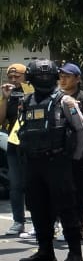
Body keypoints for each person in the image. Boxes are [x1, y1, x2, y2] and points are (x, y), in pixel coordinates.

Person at [14, 60, 83, 261]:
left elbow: (82, 130)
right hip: (33, 164)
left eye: (46, 76)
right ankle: (45, 251)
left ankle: (75, 253)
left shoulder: (65, 102)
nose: (43, 79)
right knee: (37, 208)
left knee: (66, 207)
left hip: (58, 162)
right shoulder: (26, 102)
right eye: (39, 75)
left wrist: (73, 157)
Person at [57, 63, 83, 244]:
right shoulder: (56, 98)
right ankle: (61, 224)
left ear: (77, 79)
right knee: (61, 190)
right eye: (61, 76)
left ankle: (77, 226)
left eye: (68, 76)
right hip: (60, 151)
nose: (63, 79)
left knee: (77, 191)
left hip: (78, 151)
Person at [2, 63, 31, 236]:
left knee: (35, 184)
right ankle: (18, 221)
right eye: (11, 77)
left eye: (17, 76)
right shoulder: (8, 94)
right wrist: (5, 98)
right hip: (14, 143)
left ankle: (39, 221)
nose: (14, 80)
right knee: (16, 184)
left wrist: (28, 93)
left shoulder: (33, 91)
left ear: (25, 76)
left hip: (32, 144)